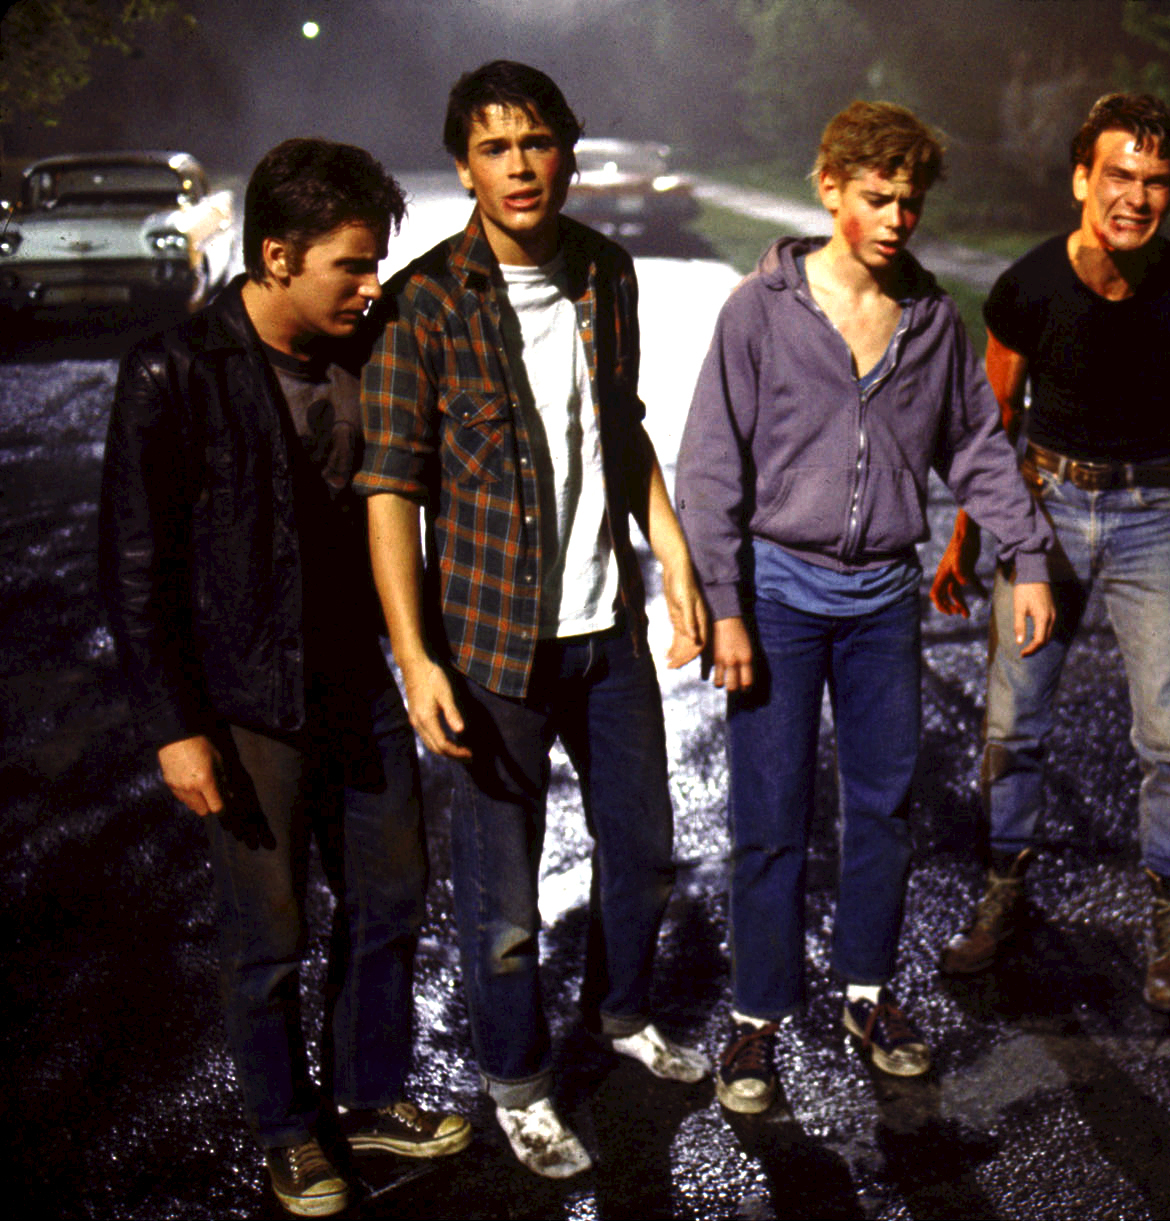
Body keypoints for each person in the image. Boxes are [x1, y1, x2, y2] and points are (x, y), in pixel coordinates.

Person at [99, 138, 469, 1217]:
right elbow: (133, 565)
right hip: (247, 698)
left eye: (378, 266)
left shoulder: (374, 347)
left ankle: (366, 1100)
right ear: (273, 255)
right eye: (351, 266)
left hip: (362, 687)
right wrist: (174, 725)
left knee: (390, 901)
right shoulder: (176, 369)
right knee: (268, 935)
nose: (370, 288)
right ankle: (286, 1133)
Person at [357, 61, 710, 1178]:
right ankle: (516, 1084)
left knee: (644, 856)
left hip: (605, 632)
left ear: (567, 148)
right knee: (503, 898)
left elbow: (623, 425)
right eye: (495, 148)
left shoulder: (604, 272)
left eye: (537, 143)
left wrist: (679, 555)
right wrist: (415, 654)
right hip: (490, 641)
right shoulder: (423, 302)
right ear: (464, 165)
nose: (520, 166)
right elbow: (389, 488)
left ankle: (621, 1014)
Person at [676, 100, 1056, 1115]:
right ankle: (757, 1018)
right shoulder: (760, 311)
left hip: (883, 594)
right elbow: (710, 465)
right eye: (875, 198)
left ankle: (868, 994)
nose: (894, 218)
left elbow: (975, 445)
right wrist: (722, 604)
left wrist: (1025, 553)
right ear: (829, 187)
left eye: (910, 201)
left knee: (883, 807)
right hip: (780, 594)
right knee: (770, 817)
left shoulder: (931, 318)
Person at [930, 93, 1170, 1012]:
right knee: (1013, 720)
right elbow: (991, 423)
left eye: (1154, 182)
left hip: (1156, 508)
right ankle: (1003, 893)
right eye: (1118, 175)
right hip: (1046, 507)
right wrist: (966, 536)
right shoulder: (1028, 286)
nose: (1135, 197)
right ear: (1081, 178)